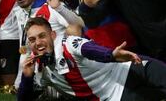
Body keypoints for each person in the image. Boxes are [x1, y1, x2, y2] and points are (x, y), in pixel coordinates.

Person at [18, 17, 166, 101]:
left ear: (53, 35)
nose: (37, 42)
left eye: (42, 36)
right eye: (32, 39)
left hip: (129, 68)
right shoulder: (36, 69)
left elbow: (91, 50)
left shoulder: (68, 44)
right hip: (116, 96)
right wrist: (26, 78)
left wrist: (111, 55)